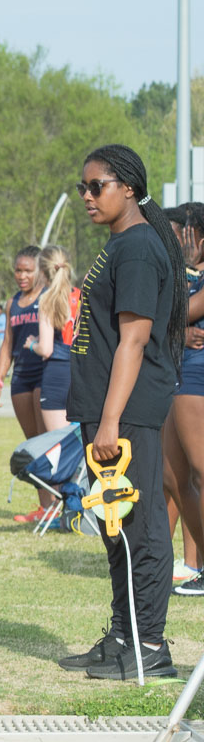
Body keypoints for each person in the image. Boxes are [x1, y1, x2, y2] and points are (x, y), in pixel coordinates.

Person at [58, 144, 184, 680]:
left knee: (142, 526)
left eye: (97, 186)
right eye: (83, 187)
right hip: (105, 406)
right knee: (116, 524)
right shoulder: (121, 243)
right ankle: (122, 635)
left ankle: (150, 647)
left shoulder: (136, 249)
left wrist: (110, 421)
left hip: (125, 411)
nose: (87, 196)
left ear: (127, 187)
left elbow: (133, 342)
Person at [162, 203, 204, 596]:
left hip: (196, 375)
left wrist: (189, 270)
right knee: (173, 478)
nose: (177, 242)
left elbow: (178, 311)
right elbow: (163, 319)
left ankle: (198, 564)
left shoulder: (193, 274)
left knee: (200, 471)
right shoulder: (181, 274)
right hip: (175, 374)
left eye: (181, 234)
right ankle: (193, 564)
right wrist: (177, 333)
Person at [0, 246, 48, 522]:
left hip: (47, 373)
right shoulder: (13, 302)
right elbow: (7, 345)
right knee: (33, 444)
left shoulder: (50, 296)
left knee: (49, 441)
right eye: (18, 270)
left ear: (41, 270)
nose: (22, 276)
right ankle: (44, 506)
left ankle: (63, 504)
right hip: (21, 377)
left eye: (28, 270)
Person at [27, 246, 78, 434]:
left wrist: (32, 344)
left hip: (57, 375)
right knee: (82, 448)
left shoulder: (48, 299)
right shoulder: (81, 295)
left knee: (61, 447)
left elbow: (46, 348)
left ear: (42, 271)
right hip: (82, 374)